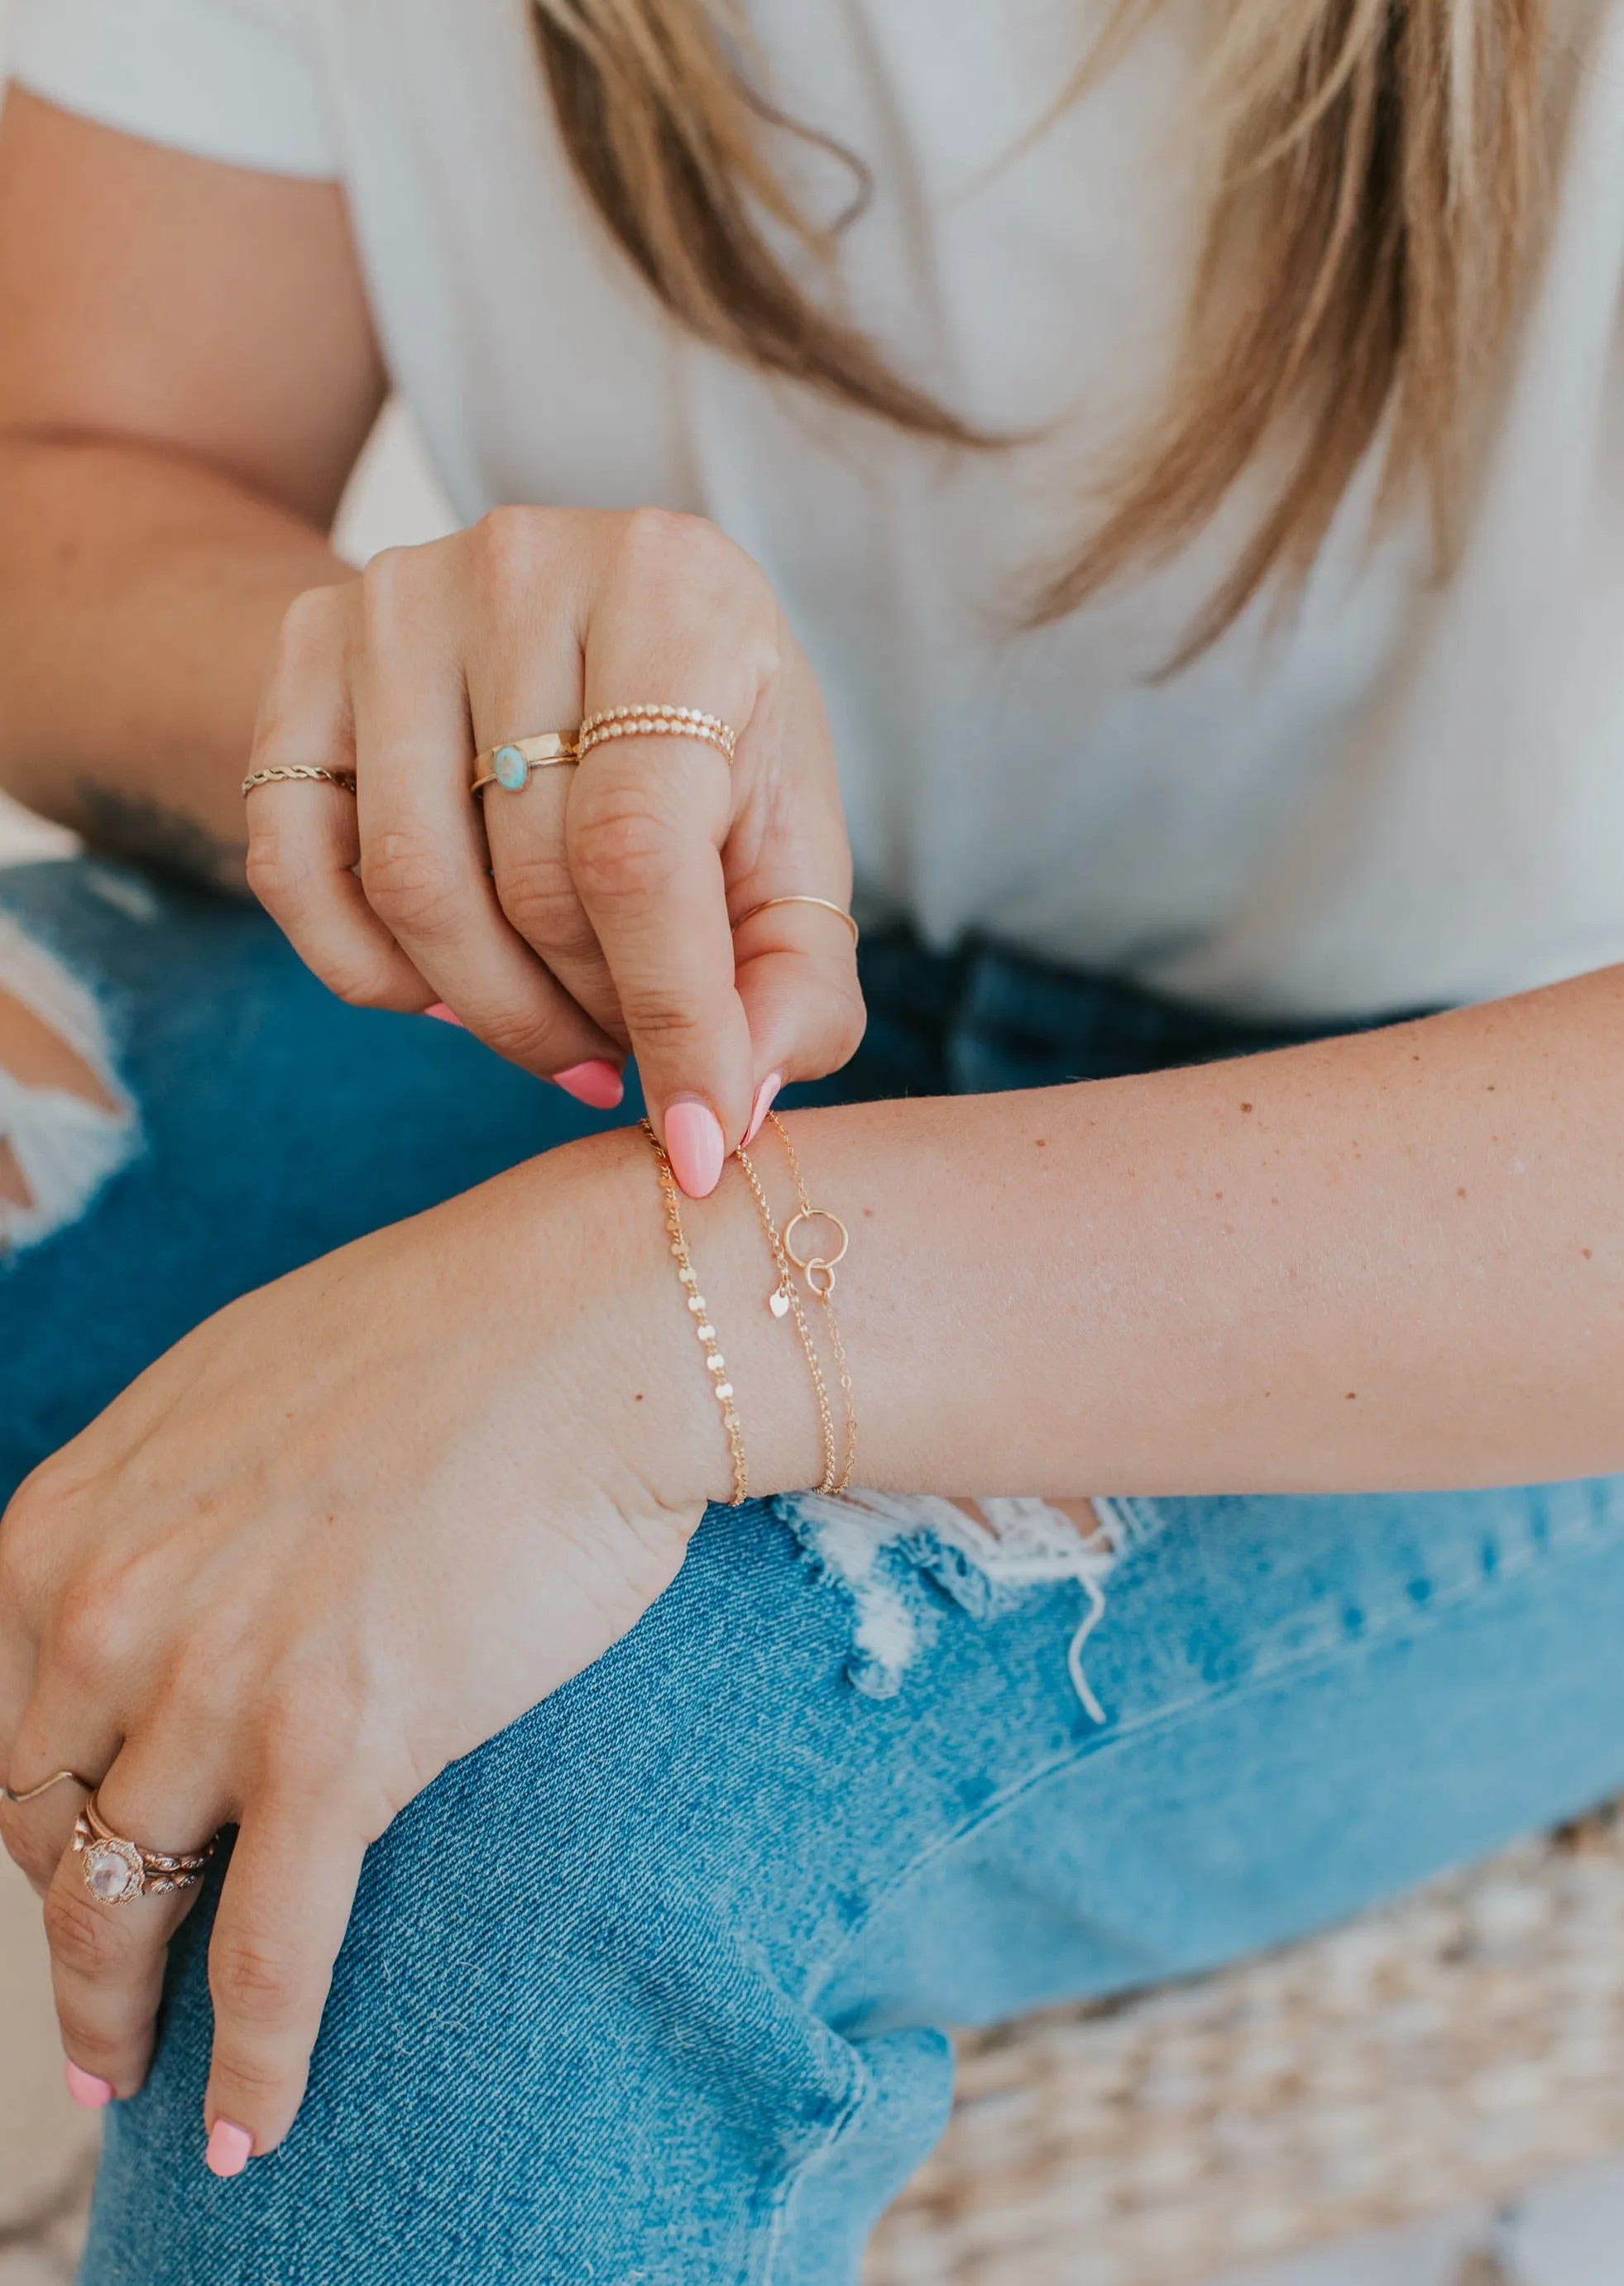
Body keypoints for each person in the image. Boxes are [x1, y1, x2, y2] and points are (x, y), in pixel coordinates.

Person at [3, 0, 1624, 2278]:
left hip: (1486, 1223)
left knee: (529, 1795)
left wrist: (676, 1319)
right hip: (651, 1015)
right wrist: (399, 693)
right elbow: (79, 457)